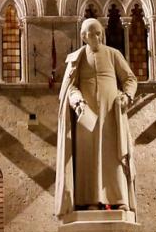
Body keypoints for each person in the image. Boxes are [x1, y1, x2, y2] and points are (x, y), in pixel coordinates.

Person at [54, 18, 140, 214]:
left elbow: (130, 78)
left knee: (113, 155)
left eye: (99, 32)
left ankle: (120, 200)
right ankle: (89, 201)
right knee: (88, 158)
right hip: (87, 118)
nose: (97, 36)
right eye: (92, 33)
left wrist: (127, 96)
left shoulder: (113, 54)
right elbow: (70, 87)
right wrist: (77, 101)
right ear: (84, 37)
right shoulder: (77, 58)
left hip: (111, 114)